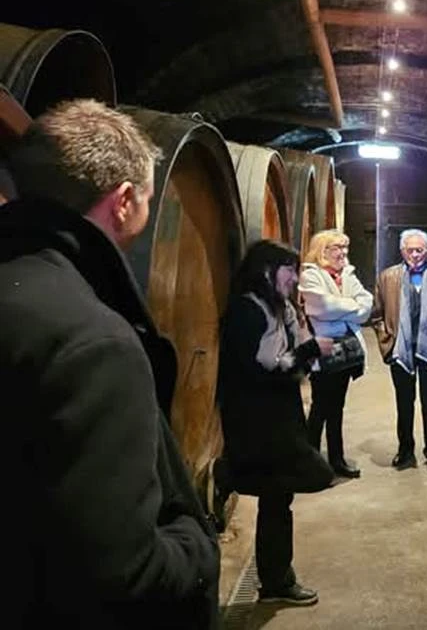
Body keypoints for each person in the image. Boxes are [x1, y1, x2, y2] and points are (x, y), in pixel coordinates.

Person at [0, 99, 220, 628]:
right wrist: (196, 548)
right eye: (148, 199)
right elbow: (123, 571)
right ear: (123, 203)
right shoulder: (94, 342)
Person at [216, 239, 336, 607]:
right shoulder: (249, 311)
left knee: (278, 499)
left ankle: (276, 579)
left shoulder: (275, 308)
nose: (296, 278)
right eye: (290, 270)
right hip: (260, 421)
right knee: (284, 491)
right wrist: (312, 349)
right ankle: (276, 581)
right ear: (268, 271)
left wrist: (305, 351)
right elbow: (267, 367)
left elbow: (284, 363)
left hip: (276, 417)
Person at [371, 228, 427, 473]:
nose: (415, 255)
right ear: (402, 251)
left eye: (420, 250)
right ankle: (405, 449)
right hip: (401, 349)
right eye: (410, 250)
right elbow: (376, 315)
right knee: (404, 401)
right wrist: (386, 341)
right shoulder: (387, 277)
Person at [299, 229, 373, 479]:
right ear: (322, 251)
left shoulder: (347, 274)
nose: (343, 253)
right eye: (337, 248)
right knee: (320, 407)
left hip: (346, 352)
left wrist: (341, 310)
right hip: (323, 350)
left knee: (337, 407)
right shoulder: (311, 275)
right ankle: (309, 462)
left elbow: (367, 305)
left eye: (345, 249)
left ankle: (337, 459)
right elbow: (324, 306)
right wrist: (350, 308)